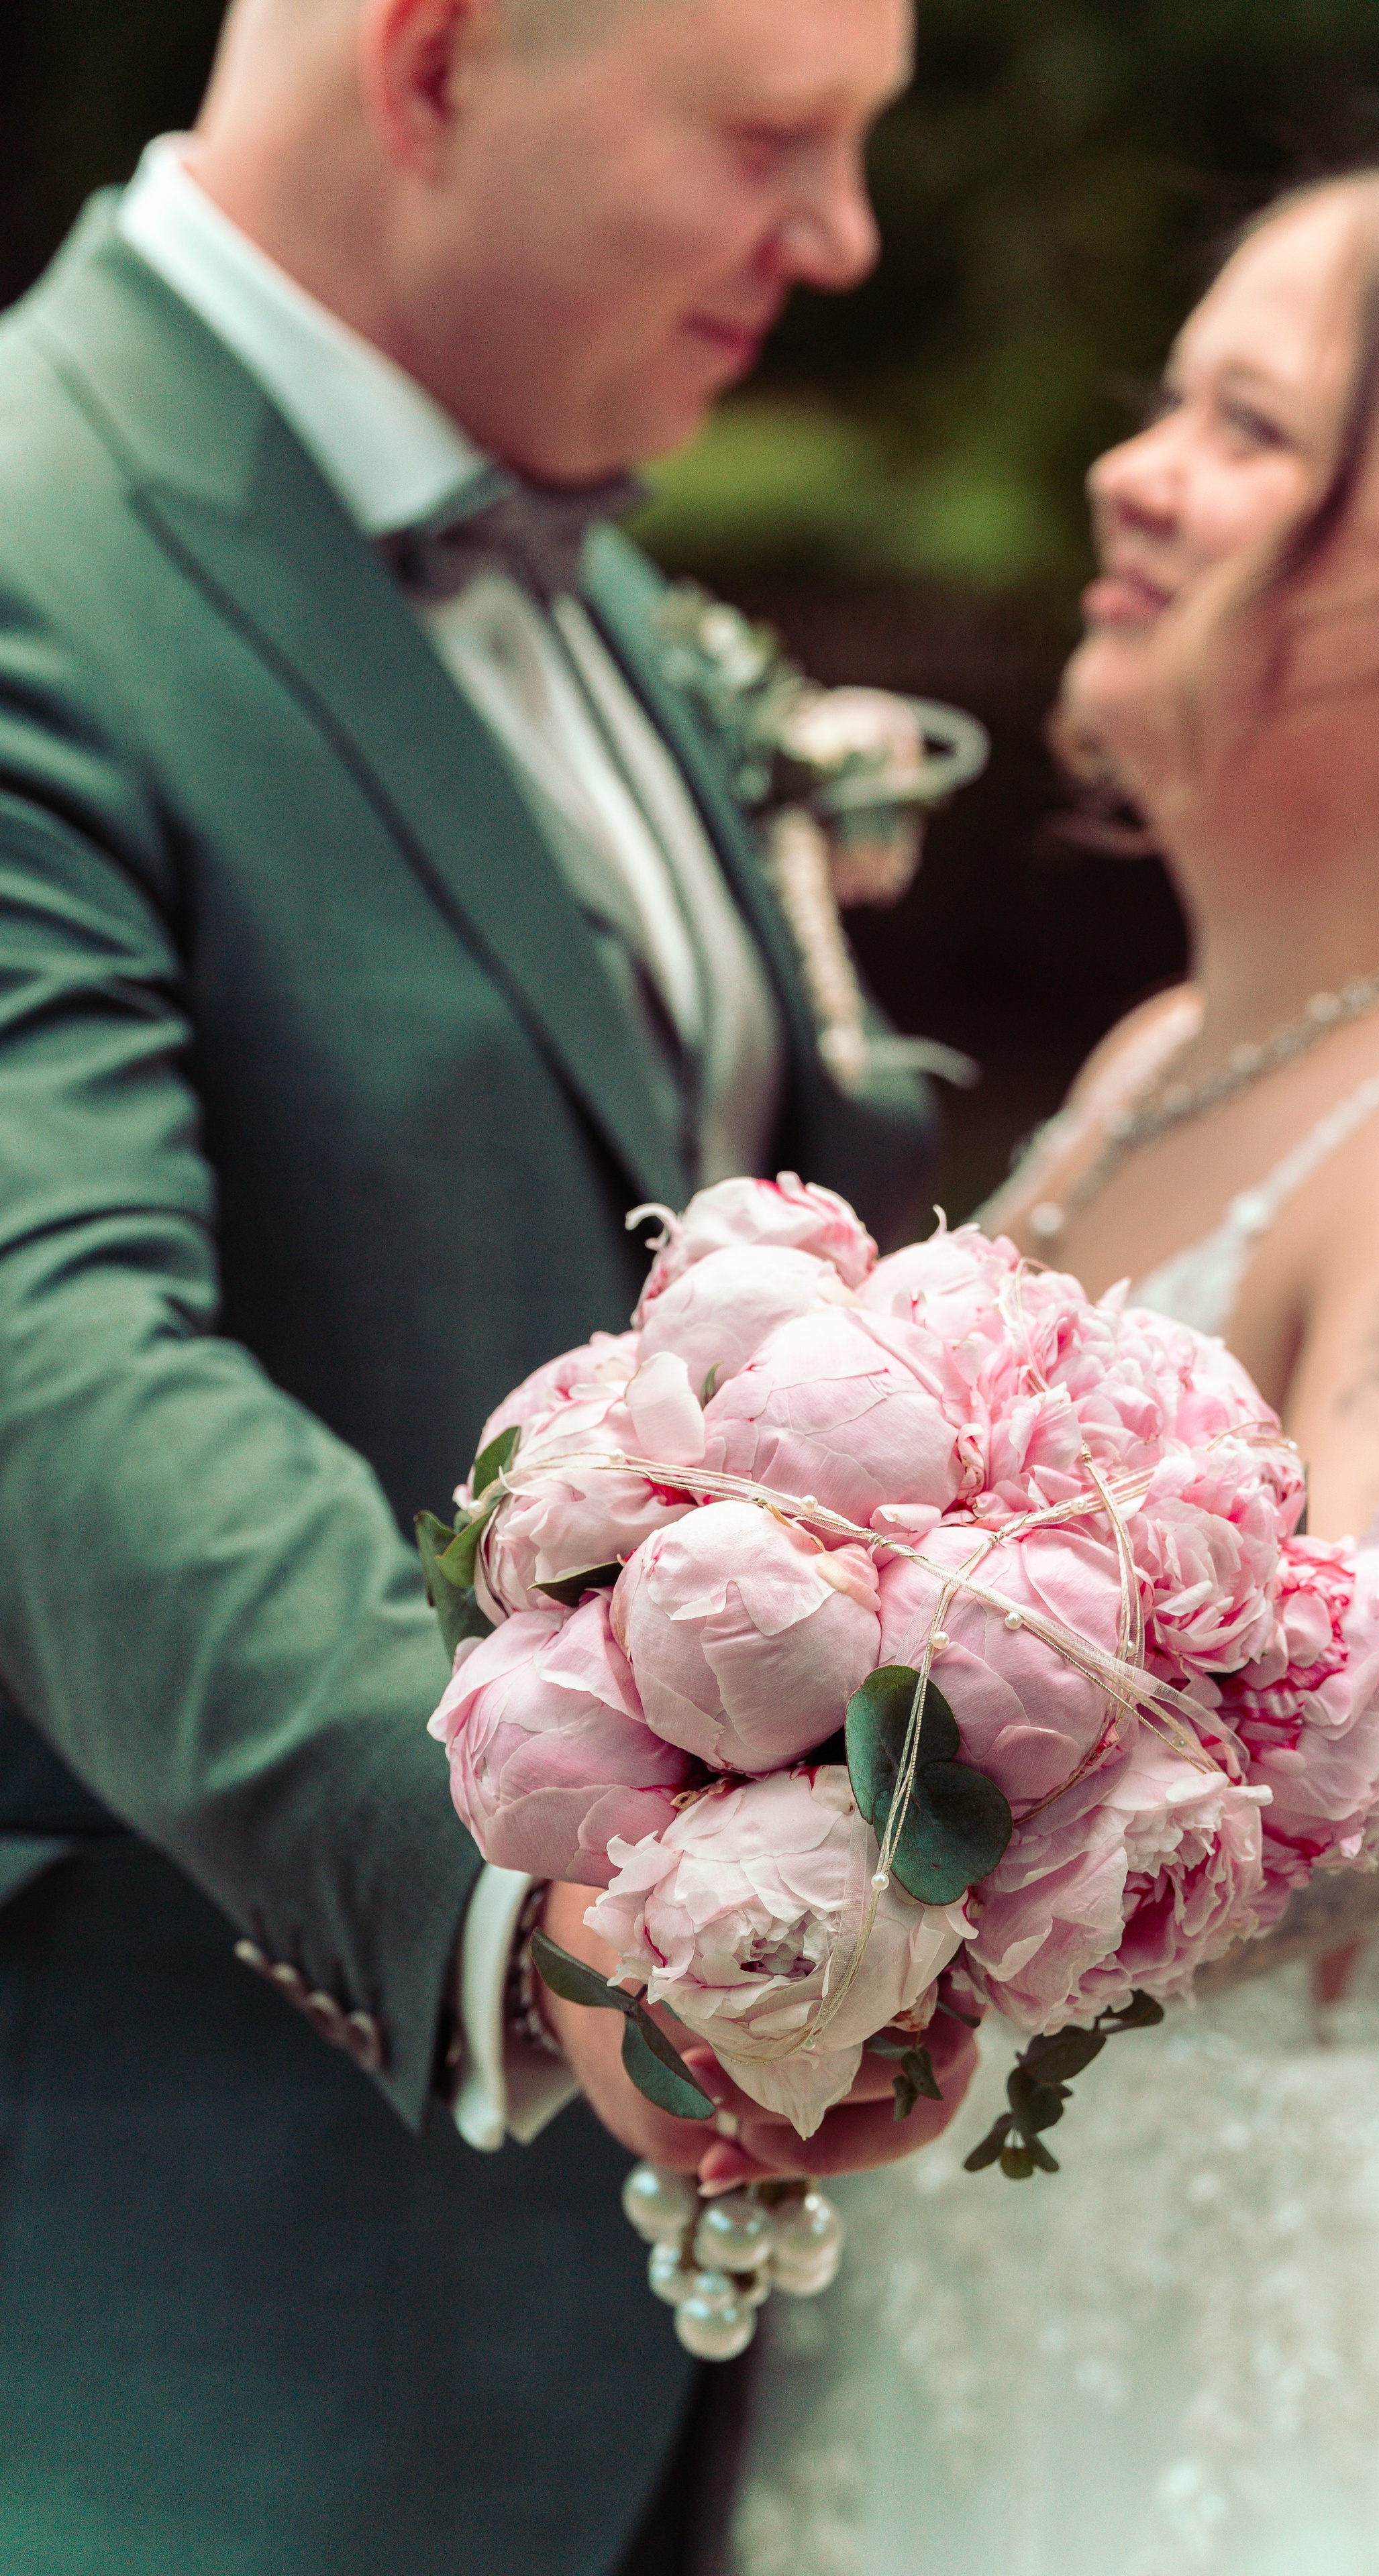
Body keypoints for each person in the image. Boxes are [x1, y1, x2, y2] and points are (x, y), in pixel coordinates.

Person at [0, 1, 982, 2570]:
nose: (847, 235)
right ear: (434, 62)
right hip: (180, 2328)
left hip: (675, 2388)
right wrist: (542, 1935)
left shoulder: (618, 598)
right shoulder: (29, 533)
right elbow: (49, 1349)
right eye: (777, 137)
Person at [728, 150, 1379, 2573]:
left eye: (1255, 433)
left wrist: (703, 1779)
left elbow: (1320, 1807)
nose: (1131, 474)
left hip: (1334, 2413)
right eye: (1175, 403)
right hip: (998, 2338)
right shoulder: (1181, 1040)